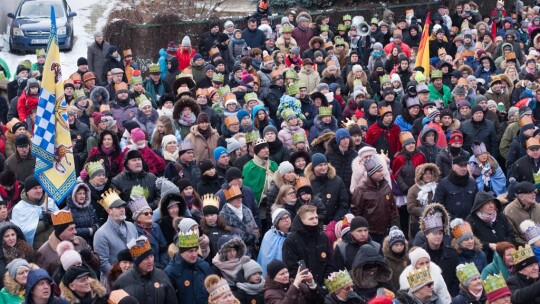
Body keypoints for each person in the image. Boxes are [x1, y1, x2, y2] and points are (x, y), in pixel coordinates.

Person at [112, 236, 178, 304]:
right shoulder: (122, 281)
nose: (150, 261)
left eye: (151, 256)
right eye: (146, 258)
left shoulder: (162, 276)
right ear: (137, 261)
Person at [282, 205, 334, 286]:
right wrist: (309, 284)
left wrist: (325, 284)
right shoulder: (291, 240)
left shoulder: (323, 237)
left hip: (324, 286)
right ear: (301, 220)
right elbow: (291, 268)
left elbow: (330, 263)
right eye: (311, 218)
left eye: (316, 217)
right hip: (302, 288)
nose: (315, 221)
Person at [351, 157, 399, 243]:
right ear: (371, 173)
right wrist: (363, 231)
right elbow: (356, 212)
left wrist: (393, 226)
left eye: (382, 170)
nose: (382, 173)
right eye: (379, 171)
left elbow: (392, 208)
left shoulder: (386, 186)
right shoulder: (361, 189)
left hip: (386, 231)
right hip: (369, 233)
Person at [36, 210, 98, 276]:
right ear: (60, 231)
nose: (75, 232)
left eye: (74, 228)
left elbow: (97, 264)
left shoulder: (81, 241)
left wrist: (90, 257)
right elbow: (42, 278)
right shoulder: (44, 252)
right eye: (71, 229)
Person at [93, 189, 138, 278]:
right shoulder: (101, 234)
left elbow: (137, 252)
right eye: (118, 207)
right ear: (109, 211)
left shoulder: (131, 226)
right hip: (113, 281)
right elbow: (103, 263)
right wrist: (118, 278)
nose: (122, 209)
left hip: (134, 277)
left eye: (123, 207)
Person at [164, 229, 213, 304]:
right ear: (181, 251)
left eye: (196, 250)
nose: (194, 254)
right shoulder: (170, 272)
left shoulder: (204, 266)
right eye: (190, 251)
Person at [420, 206, 460, 296]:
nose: (438, 236)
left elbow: (456, 279)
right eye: (434, 233)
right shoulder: (419, 256)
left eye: (440, 233)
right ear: (426, 234)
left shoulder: (452, 254)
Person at [11, 176, 59, 249]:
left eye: (40, 187)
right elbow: (21, 232)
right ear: (27, 191)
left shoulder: (49, 202)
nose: (39, 190)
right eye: (35, 188)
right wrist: (43, 224)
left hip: (54, 246)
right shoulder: (19, 208)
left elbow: (62, 223)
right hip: (34, 249)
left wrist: (52, 217)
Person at [466, 191, 515, 262]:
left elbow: (511, 234)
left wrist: (505, 246)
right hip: (485, 258)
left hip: (506, 254)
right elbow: (471, 241)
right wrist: (487, 245)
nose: (491, 205)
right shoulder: (471, 220)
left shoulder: (501, 216)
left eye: (492, 202)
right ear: (480, 206)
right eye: (487, 203)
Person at [304, 153, 348, 225]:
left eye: (325, 164)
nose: (324, 167)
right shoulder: (308, 182)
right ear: (314, 167)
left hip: (334, 223)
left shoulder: (337, 181)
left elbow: (343, 204)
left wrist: (334, 222)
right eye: (320, 165)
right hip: (314, 224)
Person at [433, 154, 478, 220]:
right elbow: (437, 204)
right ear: (453, 167)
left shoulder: (472, 183)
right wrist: (440, 217)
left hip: (469, 222)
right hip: (450, 222)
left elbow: (477, 204)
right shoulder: (444, 183)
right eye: (461, 166)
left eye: (465, 166)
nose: (464, 169)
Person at [128, 196, 168, 268]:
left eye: (151, 213)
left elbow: (163, 248)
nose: (149, 215)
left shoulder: (156, 227)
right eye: (146, 214)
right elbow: (139, 256)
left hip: (161, 265)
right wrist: (156, 266)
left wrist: (164, 264)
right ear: (138, 217)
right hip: (146, 267)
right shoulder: (134, 230)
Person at [219, 186, 259, 251]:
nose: (239, 199)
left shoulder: (247, 211)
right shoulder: (223, 215)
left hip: (251, 250)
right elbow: (223, 236)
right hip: (234, 252)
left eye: (240, 197)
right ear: (229, 200)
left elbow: (255, 229)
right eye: (235, 198)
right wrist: (240, 240)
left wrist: (254, 237)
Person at [242, 138, 278, 208]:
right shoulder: (249, 167)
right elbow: (248, 189)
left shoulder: (273, 165)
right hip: (260, 208)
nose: (267, 150)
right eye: (263, 148)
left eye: (267, 147)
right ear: (257, 151)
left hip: (275, 203)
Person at [407, 164, 440, 239]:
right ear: (420, 175)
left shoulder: (436, 187)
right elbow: (410, 208)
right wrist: (425, 210)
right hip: (419, 224)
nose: (428, 176)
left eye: (430, 173)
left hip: (436, 222)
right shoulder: (413, 189)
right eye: (425, 174)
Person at [503, 181, 540, 246]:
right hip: (524, 248)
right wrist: (529, 246)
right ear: (521, 196)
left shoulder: (537, 206)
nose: (534, 194)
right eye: (530, 193)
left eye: (534, 192)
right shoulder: (509, 211)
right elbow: (513, 235)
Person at [258, 208, 291, 278]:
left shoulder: (293, 234)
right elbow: (265, 258)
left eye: (288, 217)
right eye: (283, 219)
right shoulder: (270, 235)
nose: (287, 220)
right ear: (277, 222)